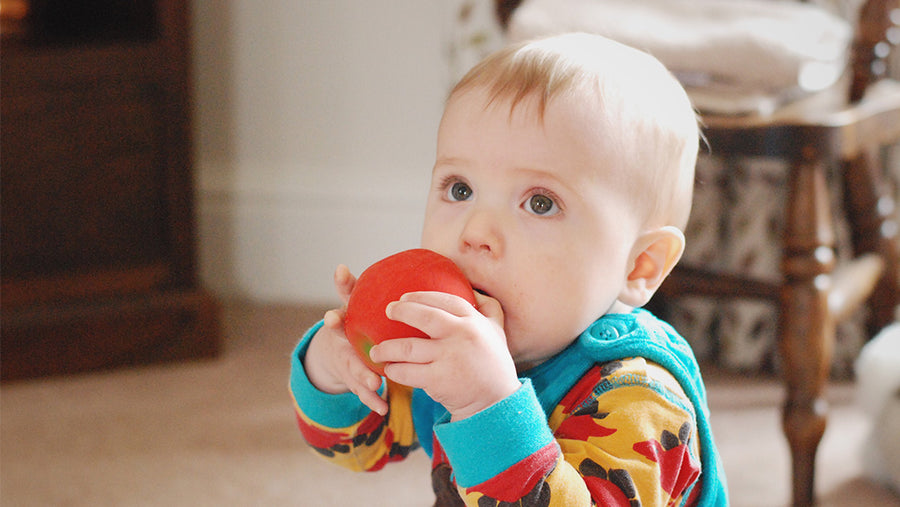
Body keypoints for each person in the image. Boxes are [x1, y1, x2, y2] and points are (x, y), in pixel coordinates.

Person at [290, 32, 728, 506]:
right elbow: (360, 448)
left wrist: (486, 405)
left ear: (639, 265)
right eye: (459, 189)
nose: (476, 230)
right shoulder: (454, 349)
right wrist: (335, 369)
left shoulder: (640, 397)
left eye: (540, 203)